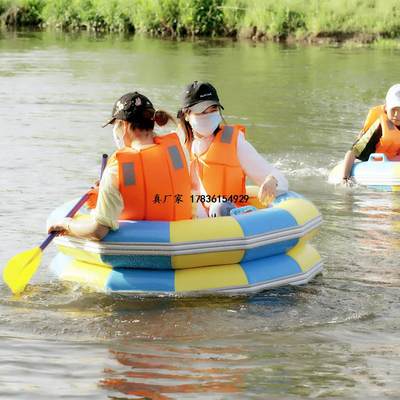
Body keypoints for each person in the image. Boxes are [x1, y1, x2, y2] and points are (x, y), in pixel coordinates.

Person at [48, 92, 192, 240]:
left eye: (115, 125)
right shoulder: (177, 150)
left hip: (136, 248)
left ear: (123, 125)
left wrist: (67, 225)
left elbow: (98, 231)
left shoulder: (116, 170)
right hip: (182, 241)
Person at [177, 81, 288, 217]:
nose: (208, 115)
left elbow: (279, 178)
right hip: (198, 216)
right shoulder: (180, 144)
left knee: (219, 207)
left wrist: (272, 180)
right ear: (186, 115)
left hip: (229, 215)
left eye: (213, 110)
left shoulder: (235, 143)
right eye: (202, 111)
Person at [341, 84, 400, 185]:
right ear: (386, 108)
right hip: (372, 163)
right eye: (394, 110)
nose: (397, 115)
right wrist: (345, 178)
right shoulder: (379, 128)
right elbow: (352, 153)